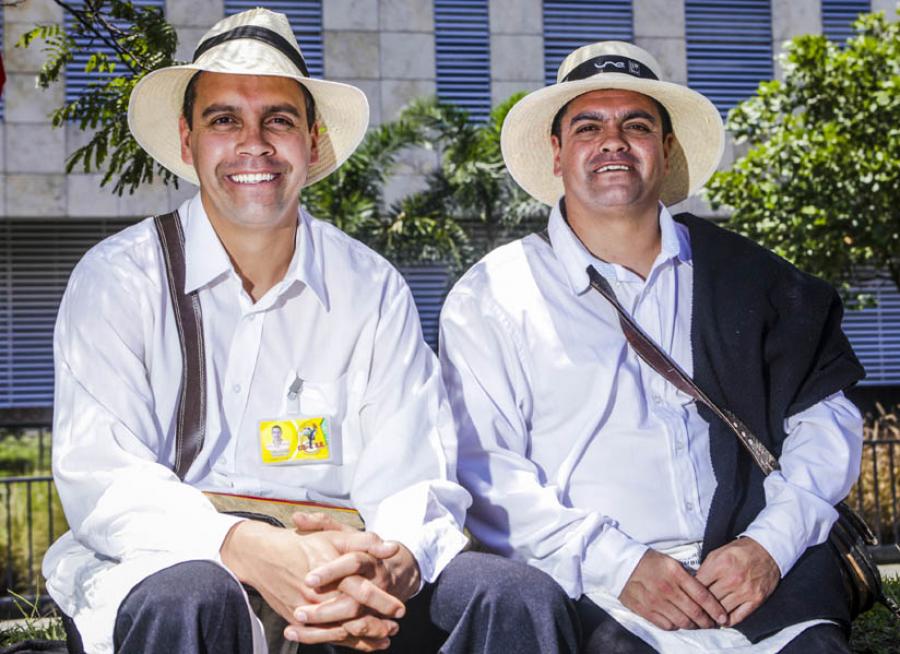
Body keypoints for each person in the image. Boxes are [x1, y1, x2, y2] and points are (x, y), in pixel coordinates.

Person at [43, 9, 578, 654]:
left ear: (311, 141)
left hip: (344, 564)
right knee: (192, 595)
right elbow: (104, 476)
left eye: (279, 119)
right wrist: (248, 548)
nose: (255, 144)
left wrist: (389, 562)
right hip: (174, 558)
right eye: (224, 120)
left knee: (516, 597)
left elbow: (412, 471)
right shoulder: (119, 279)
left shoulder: (370, 287)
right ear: (188, 141)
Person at [439, 41, 865, 653]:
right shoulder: (492, 296)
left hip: (760, 593)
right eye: (588, 126)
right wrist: (620, 564)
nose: (613, 140)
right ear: (556, 153)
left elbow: (826, 419)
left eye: (636, 125)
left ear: (664, 151)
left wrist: (770, 543)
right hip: (597, 597)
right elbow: (487, 473)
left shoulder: (753, 278)